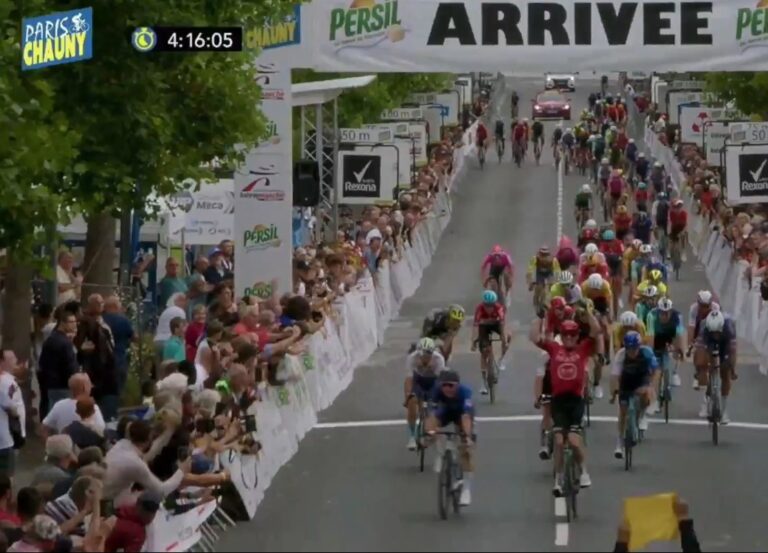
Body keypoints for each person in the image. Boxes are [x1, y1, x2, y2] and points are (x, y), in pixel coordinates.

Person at [531, 318, 597, 495]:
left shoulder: (582, 349)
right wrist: (539, 319)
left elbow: (596, 332)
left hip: (575, 401)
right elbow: (535, 338)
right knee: (559, 441)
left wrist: (589, 313)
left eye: (572, 334)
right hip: (558, 401)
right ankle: (558, 478)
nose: (568, 337)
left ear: (577, 336)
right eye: (565, 334)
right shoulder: (554, 349)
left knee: (574, 441)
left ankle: (584, 472)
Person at [103, 420, 191, 507]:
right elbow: (161, 491)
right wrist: (181, 471)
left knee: (140, 494)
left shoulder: (121, 445)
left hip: (103, 494)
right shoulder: (135, 463)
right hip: (105, 504)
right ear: (148, 440)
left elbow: (149, 453)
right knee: (147, 498)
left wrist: (166, 434)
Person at [425, 370, 475, 507]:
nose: (447, 388)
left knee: (465, 450)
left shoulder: (465, 393)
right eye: (444, 385)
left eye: (451, 385)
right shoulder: (436, 391)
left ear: (458, 385)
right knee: (431, 426)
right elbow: (431, 414)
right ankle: (441, 454)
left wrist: (468, 437)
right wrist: (430, 433)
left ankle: (466, 489)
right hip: (445, 411)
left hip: (461, 415)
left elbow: (466, 418)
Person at [610, 331, 659, 459]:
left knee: (646, 394)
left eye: (635, 348)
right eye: (629, 349)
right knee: (623, 412)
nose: (632, 352)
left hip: (641, 379)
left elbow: (656, 371)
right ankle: (619, 441)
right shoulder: (621, 355)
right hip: (626, 382)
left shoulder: (647, 352)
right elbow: (615, 376)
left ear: (639, 346)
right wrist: (614, 392)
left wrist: (650, 386)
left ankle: (641, 414)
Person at [695, 309, 737, 423]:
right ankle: (706, 400)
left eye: (717, 332)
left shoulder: (728, 328)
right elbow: (700, 350)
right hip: (709, 342)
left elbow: (732, 351)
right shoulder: (704, 328)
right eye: (713, 332)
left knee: (726, 372)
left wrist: (732, 368)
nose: (715, 335)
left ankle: (724, 410)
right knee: (703, 362)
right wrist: (702, 368)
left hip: (725, 343)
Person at [403, 338, 446, 451]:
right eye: (423, 355)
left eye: (428, 355)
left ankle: (430, 425)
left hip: (433, 381)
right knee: (412, 403)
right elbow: (408, 380)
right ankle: (412, 436)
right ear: (418, 353)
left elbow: (440, 382)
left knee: (434, 407)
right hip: (418, 381)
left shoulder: (439, 359)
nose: (425, 358)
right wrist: (408, 396)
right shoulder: (412, 358)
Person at [38, 310, 80, 412]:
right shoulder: (64, 343)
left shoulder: (50, 339)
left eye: (75, 322)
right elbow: (70, 365)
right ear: (62, 323)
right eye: (71, 322)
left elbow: (42, 362)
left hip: (51, 384)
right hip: (63, 385)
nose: (75, 325)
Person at [646, 298, 685, 397]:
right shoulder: (651, 315)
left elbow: (680, 335)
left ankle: (675, 372)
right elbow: (651, 336)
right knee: (651, 356)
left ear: (671, 311)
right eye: (662, 313)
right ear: (658, 311)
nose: (665, 316)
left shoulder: (677, 316)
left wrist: (680, 351)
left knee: (679, 350)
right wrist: (650, 355)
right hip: (657, 335)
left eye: (668, 313)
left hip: (670, 334)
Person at [470, 290, 507, 396]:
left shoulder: (499, 308)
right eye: (487, 306)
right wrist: (473, 341)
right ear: (483, 304)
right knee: (484, 352)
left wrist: (504, 341)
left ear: (494, 303)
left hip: (496, 325)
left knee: (508, 336)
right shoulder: (479, 308)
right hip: (484, 328)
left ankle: (501, 359)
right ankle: (483, 382)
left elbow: (502, 326)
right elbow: (475, 327)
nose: (489, 308)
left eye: (491, 305)